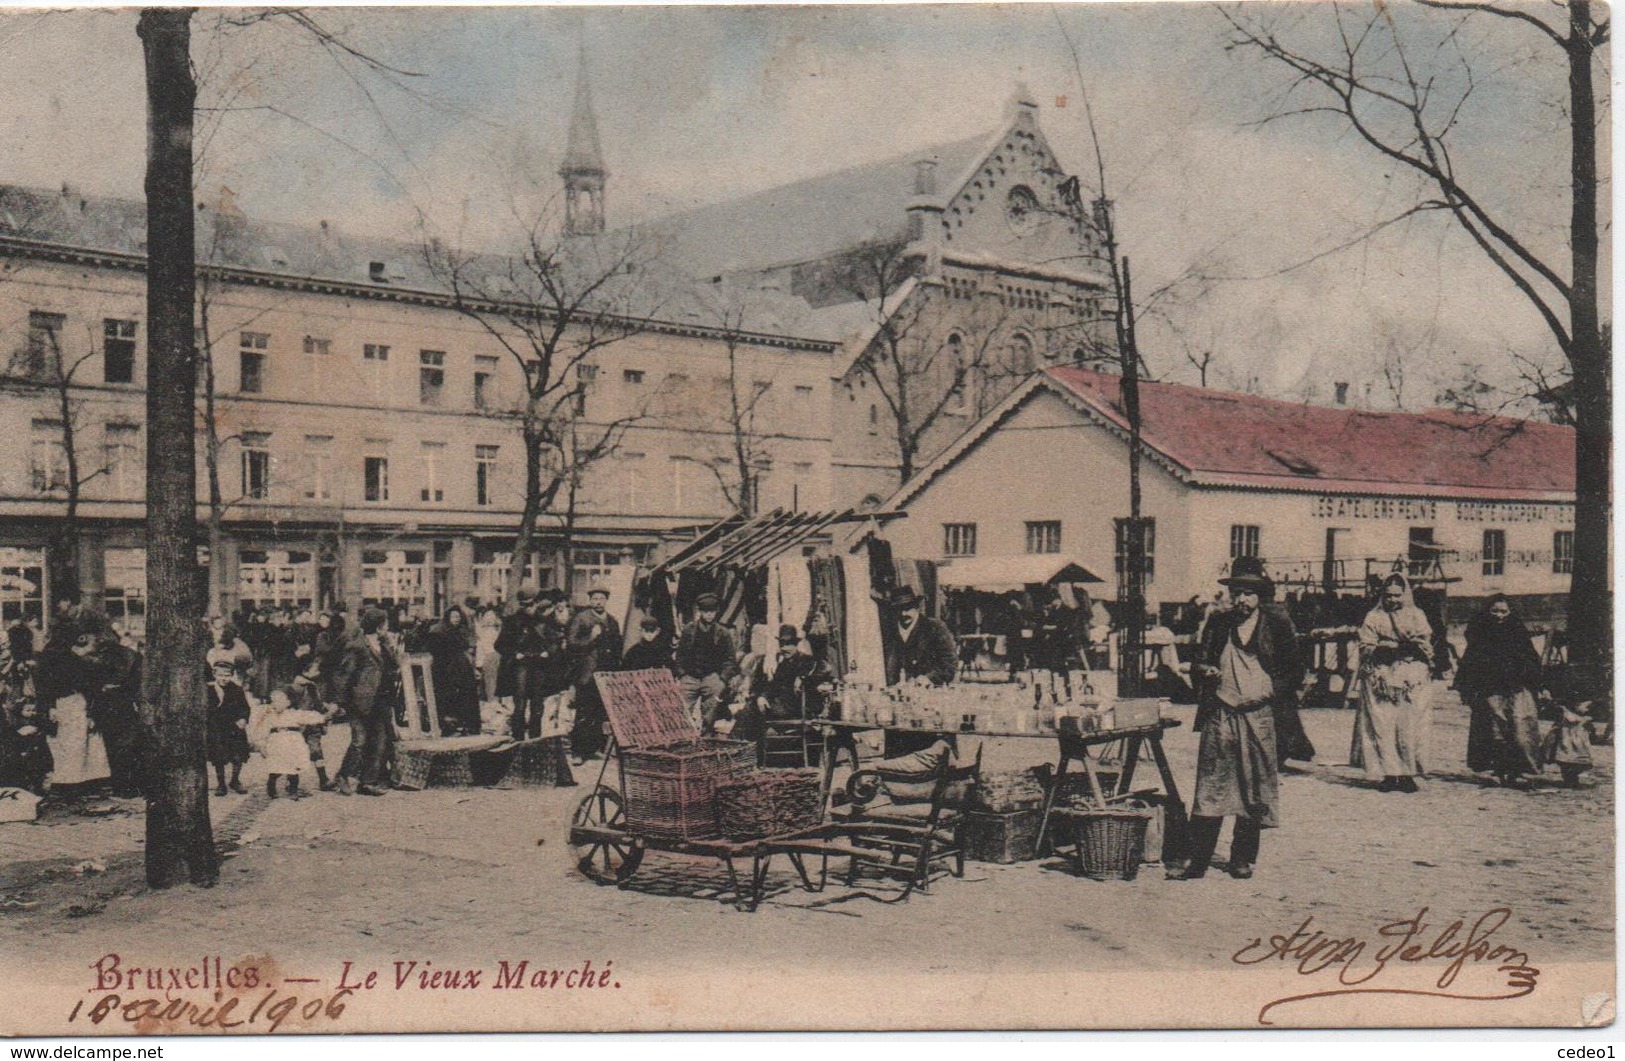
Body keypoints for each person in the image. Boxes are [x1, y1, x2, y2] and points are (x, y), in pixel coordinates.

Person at [1177, 557, 1303, 881]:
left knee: (1253, 788)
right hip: (1221, 713)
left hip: (1259, 716)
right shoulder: (1218, 623)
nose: (1242, 600)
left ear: (1260, 595)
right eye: (1237, 593)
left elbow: (1294, 671)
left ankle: (1242, 858)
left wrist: (1268, 692)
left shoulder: (1277, 624)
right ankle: (1199, 859)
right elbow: (1199, 660)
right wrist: (1205, 671)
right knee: (1211, 787)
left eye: (1249, 593)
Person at [1348, 572, 1436, 793]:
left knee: (1408, 725)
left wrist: (1403, 650)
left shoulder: (1417, 615)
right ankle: (1389, 773)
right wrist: (1384, 649)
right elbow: (1366, 645)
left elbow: (1424, 643)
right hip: (1380, 676)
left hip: (1410, 676)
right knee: (1382, 725)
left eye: (1397, 595)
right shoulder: (1373, 617)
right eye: (1388, 596)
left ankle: (1407, 773)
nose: (1393, 600)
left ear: (1405, 595)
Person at [1455, 594, 1545, 788]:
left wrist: (1538, 684)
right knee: (1494, 732)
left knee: (1520, 730)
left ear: (1510, 612)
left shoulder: (1518, 633)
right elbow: (1470, 661)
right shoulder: (1480, 635)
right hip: (1490, 690)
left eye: (1504, 611)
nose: (1499, 615)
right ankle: (1498, 770)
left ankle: (1517, 771)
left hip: (1517, 690)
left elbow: (1531, 660)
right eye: (1495, 611)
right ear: (1488, 612)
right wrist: (1468, 688)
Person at [333, 606, 397, 796]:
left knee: (378, 741)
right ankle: (343, 775)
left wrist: (390, 646)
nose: (387, 627)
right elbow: (344, 675)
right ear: (377, 626)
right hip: (359, 701)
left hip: (380, 699)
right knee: (359, 740)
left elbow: (393, 665)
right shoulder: (357, 646)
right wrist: (341, 702)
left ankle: (367, 781)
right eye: (384, 624)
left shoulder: (382, 644)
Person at [74, 630, 145, 798]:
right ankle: (130, 785)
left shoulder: (96, 658)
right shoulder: (130, 655)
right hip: (123, 703)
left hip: (107, 704)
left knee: (115, 747)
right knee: (127, 746)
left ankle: (121, 785)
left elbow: (89, 684)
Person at [568, 585, 622, 763]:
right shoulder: (581, 619)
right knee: (584, 712)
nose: (598, 602)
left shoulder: (612, 621)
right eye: (595, 598)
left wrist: (615, 671)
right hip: (587, 673)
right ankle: (578, 752)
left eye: (601, 598)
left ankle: (595, 748)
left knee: (601, 712)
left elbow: (617, 648)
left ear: (606, 600)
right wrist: (591, 637)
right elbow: (572, 644)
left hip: (606, 673)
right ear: (590, 600)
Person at [676, 593, 739, 733]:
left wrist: (722, 680)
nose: (709, 615)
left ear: (716, 612)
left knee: (711, 711)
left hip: (711, 676)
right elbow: (680, 655)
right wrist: (682, 675)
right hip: (690, 677)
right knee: (681, 710)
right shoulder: (689, 630)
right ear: (700, 612)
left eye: (712, 612)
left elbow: (730, 659)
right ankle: (684, 738)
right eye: (706, 612)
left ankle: (706, 736)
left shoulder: (723, 633)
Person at [259, 686, 328, 799]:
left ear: (288, 702)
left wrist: (323, 717)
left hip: (293, 744)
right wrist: (262, 745)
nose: (276, 704)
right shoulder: (269, 716)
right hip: (276, 744)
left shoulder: (295, 714)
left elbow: (309, 717)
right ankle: (271, 787)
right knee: (275, 768)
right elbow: (263, 731)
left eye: (280, 700)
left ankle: (293, 790)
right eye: (273, 701)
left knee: (294, 768)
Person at [426, 605, 481, 736]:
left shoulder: (462, 631)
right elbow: (437, 652)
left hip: (462, 667)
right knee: (448, 697)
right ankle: (450, 726)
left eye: (458, 616)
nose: (456, 619)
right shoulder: (439, 632)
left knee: (466, 695)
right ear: (448, 618)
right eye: (453, 617)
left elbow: (467, 649)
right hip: (445, 669)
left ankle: (466, 725)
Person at [888, 586, 958, 687]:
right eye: (899, 609)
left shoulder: (934, 627)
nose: (903, 614)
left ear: (916, 607)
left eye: (907, 608)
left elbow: (950, 662)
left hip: (929, 691)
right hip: (896, 691)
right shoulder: (889, 631)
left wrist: (930, 678)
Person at [205, 659, 252, 796]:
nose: (224, 678)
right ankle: (221, 784)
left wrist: (243, 718)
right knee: (218, 756)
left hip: (234, 727)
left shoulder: (236, 689)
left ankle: (235, 780)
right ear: (214, 675)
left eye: (227, 675)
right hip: (217, 728)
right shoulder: (209, 689)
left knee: (238, 755)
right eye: (220, 675)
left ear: (232, 676)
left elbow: (245, 707)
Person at [290, 657, 335, 791]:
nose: (318, 671)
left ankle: (324, 779)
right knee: (296, 754)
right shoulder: (298, 687)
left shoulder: (311, 685)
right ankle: (292, 784)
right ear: (305, 671)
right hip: (300, 726)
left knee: (317, 751)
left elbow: (317, 704)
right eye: (315, 669)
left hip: (313, 725)